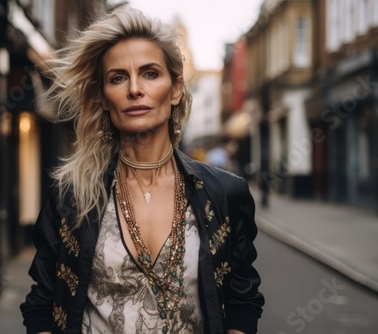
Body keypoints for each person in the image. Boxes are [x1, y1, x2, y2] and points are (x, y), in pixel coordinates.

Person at [20, 6, 264, 334]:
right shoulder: (72, 196)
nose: (134, 89)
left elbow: (242, 300)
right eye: (118, 77)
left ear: (175, 89)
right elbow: (42, 302)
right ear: (105, 98)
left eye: (150, 73)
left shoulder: (225, 194)